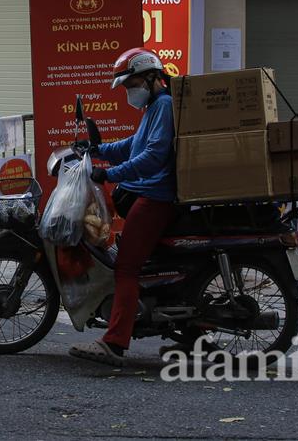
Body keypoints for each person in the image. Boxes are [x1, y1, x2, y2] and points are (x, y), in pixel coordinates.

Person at [69, 48, 177, 366]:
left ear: (153, 77)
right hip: (148, 194)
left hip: (154, 198)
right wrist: (98, 149)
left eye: (132, 84)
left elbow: (153, 157)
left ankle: (115, 342)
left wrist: (110, 173)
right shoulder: (156, 107)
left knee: (126, 269)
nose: (130, 91)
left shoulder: (165, 106)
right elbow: (133, 145)